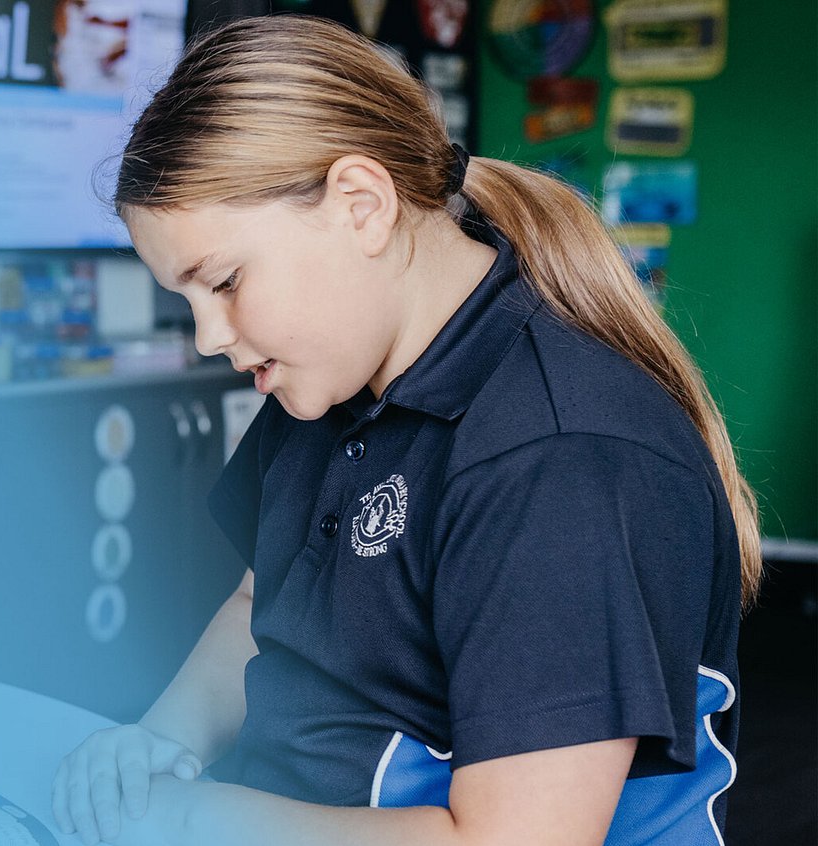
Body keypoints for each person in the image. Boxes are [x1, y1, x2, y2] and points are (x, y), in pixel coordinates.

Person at [50, 15, 758, 846]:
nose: (209, 336)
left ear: (361, 205)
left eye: (227, 282)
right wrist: (159, 748)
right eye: (187, 299)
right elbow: (261, 602)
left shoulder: (558, 459)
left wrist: (200, 819)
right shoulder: (328, 379)